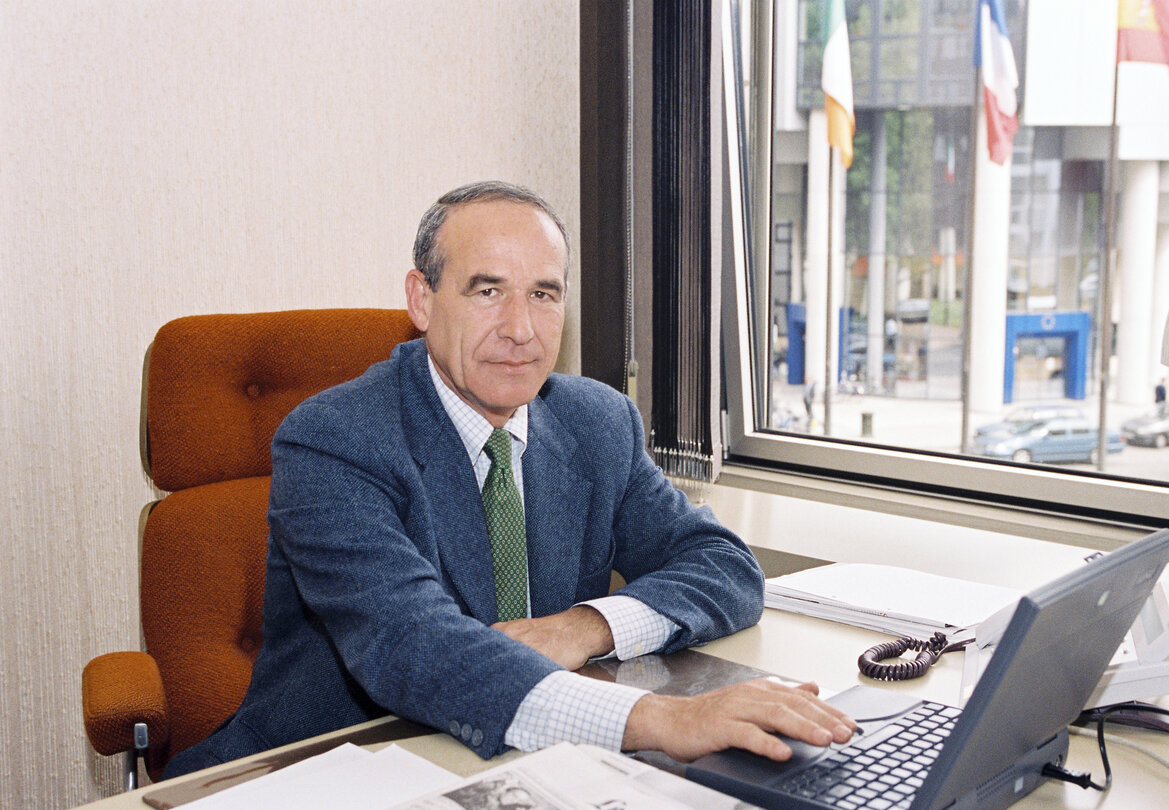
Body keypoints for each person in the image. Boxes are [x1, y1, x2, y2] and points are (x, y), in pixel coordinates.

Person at [164, 181, 854, 778]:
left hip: (534, 761)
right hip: (338, 766)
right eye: (487, 290)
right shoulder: (335, 440)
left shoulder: (596, 420)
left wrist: (583, 627)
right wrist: (661, 720)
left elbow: (725, 568)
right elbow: (413, 645)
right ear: (422, 298)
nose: (521, 329)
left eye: (543, 294)